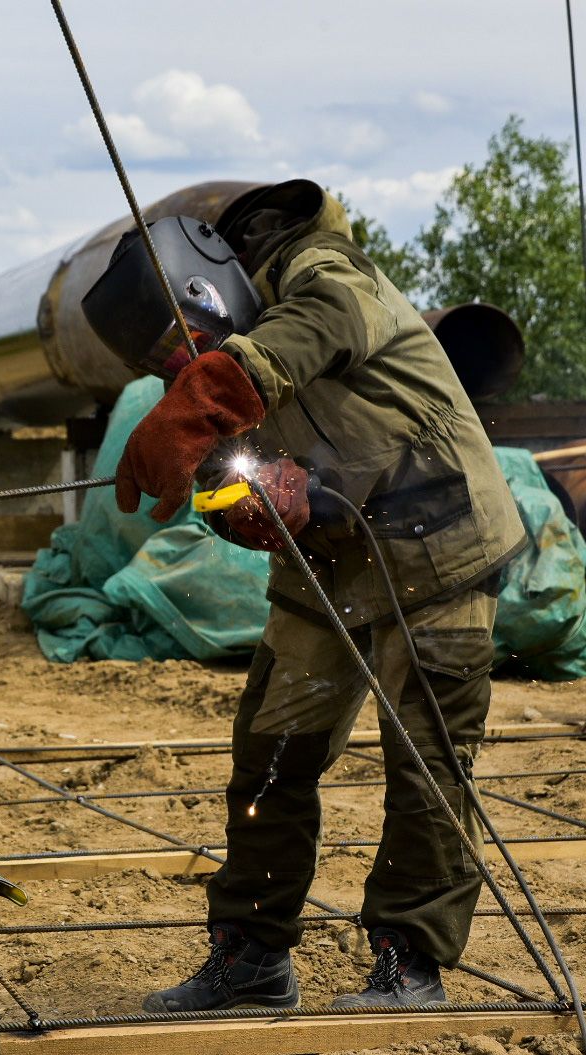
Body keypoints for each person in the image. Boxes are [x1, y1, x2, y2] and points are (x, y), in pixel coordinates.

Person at [109, 179, 528, 1011]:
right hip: (328, 563)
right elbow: (232, 482)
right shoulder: (224, 351)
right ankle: (253, 958)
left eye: (181, 346)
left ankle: (411, 966)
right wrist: (251, 507)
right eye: (168, 363)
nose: (182, 367)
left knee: (425, 761)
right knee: (270, 750)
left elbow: (309, 336)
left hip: (438, 548)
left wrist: (203, 401)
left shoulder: (323, 271)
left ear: (209, 285)